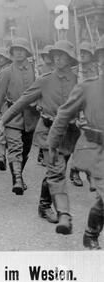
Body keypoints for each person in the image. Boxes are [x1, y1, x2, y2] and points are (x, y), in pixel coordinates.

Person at [0, 40, 79, 235]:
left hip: (69, 133)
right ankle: (49, 207)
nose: (58, 59)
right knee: (55, 168)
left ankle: (44, 204)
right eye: (55, 55)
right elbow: (22, 101)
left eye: (62, 55)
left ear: (69, 60)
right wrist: (1, 121)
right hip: (48, 131)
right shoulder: (44, 80)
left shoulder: (77, 80)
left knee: (58, 170)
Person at [47, 35, 104, 248]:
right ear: (99, 61)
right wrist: (52, 144)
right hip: (96, 150)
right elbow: (63, 115)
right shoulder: (87, 87)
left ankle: (90, 233)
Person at [0, 38, 39, 195]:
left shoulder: (36, 70)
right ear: (12, 53)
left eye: (22, 50)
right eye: (16, 50)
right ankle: (18, 179)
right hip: (12, 114)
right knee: (15, 146)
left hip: (31, 116)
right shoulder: (6, 72)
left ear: (27, 52)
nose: (19, 53)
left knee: (26, 150)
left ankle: (18, 174)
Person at [69, 41, 99, 189]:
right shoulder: (74, 71)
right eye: (80, 53)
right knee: (82, 140)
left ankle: (90, 173)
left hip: (93, 108)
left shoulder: (97, 70)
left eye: (85, 53)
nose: (83, 55)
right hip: (77, 108)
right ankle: (75, 170)